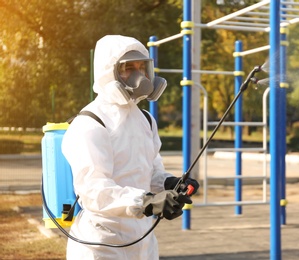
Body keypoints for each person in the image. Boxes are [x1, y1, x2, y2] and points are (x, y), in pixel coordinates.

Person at [62, 35, 199, 260]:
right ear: (109, 72)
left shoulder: (145, 119)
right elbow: (95, 192)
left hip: (142, 242)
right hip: (101, 245)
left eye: (142, 67)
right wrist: (147, 202)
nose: (139, 76)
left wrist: (171, 183)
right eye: (128, 68)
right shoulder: (91, 122)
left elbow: (149, 171)